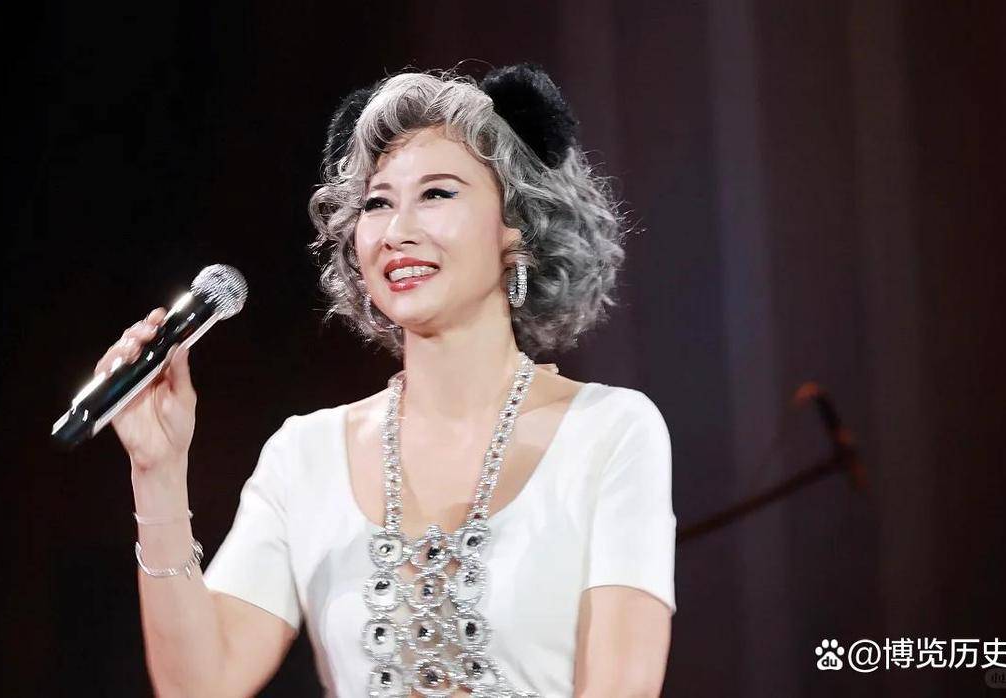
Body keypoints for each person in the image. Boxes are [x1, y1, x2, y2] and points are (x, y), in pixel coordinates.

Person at [101, 64, 676, 697]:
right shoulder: (304, 455)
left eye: (437, 194)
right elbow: (197, 688)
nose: (398, 232)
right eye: (378, 203)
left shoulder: (609, 432)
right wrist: (157, 472)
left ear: (517, 227)